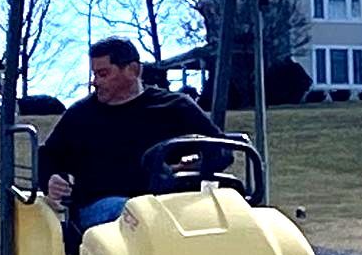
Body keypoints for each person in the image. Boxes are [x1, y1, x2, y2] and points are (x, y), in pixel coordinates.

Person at [39, 36, 228, 231]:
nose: (95, 82)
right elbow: (48, 156)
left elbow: (221, 150)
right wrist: (51, 179)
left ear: (133, 70)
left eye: (103, 74)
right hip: (104, 209)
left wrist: (189, 166)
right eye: (94, 74)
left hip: (168, 204)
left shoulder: (176, 107)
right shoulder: (80, 115)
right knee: (135, 214)